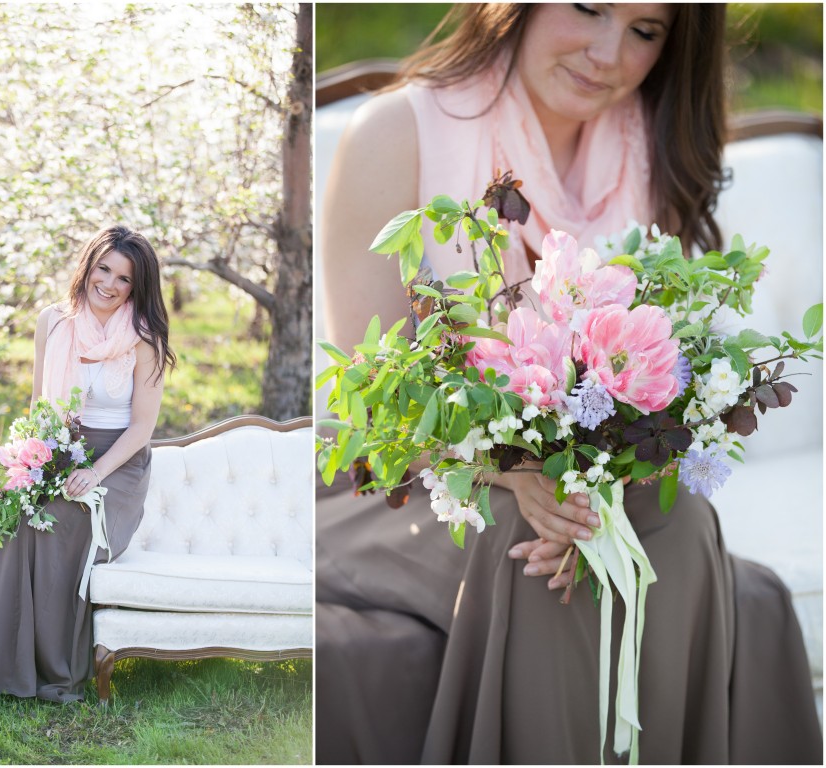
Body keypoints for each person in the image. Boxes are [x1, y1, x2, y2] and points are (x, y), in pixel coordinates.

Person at [317, 4, 821, 763]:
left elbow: (654, 384)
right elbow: (373, 403)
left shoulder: (654, 152)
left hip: (585, 484)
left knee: (669, 520)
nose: (608, 51)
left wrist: (591, 481)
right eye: (588, 6)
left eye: (646, 31)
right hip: (402, 480)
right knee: (552, 548)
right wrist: (516, 477)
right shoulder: (397, 133)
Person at [0, 225, 174, 711]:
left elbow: (141, 429)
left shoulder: (144, 337)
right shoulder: (53, 321)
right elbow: (38, 404)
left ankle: (53, 673)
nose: (109, 284)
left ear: (138, 287)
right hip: (61, 445)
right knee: (11, 515)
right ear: (88, 265)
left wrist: (96, 473)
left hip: (118, 464)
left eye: (124, 279)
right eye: (103, 269)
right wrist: (28, 460)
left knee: (65, 516)